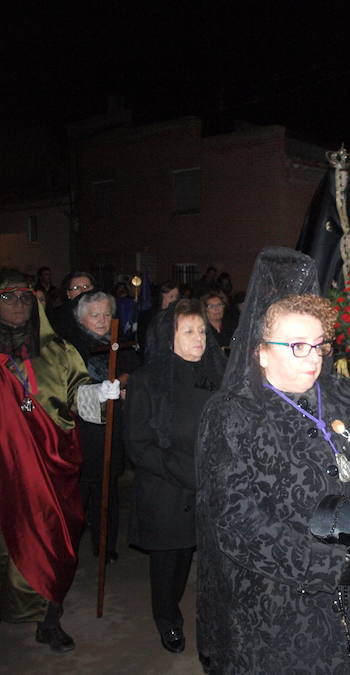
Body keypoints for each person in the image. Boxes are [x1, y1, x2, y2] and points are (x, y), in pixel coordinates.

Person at [195, 247, 350, 674]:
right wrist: (327, 565)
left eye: (320, 344)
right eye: (297, 346)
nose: (313, 357)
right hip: (277, 602)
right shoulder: (233, 413)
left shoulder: (341, 393)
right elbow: (237, 521)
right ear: (260, 350)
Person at [0, 269, 119, 652]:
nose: (17, 305)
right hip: (4, 471)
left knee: (53, 542)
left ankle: (49, 621)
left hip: (50, 470)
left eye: (23, 298)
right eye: (7, 298)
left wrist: (99, 394)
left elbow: (77, 394)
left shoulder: (58, 350)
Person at [126, 298, 225, 654]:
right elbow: (139, 446)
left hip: (210, 488)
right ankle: (167, 619)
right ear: (169, 337)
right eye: (189, 331)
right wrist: (189, 472)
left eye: (201, 330)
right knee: (171, 565)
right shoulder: (146, 381)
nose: (199, 338)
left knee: (212, 563)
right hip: (167, 490)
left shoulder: (214, 375)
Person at [65, 291, 141, 562]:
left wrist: (123, 381)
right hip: (85, 434)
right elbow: (69, 388)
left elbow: (134, 368)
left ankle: (105, 546)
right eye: (94, 315)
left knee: (108, 489)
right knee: (81, 493)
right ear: (81, 318)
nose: (102, 320)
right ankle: (66, 548)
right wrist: (98, 391)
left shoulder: (120, 342)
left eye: (107, 314)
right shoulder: (71, 347)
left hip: (113, 429)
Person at [47, 270, 96, 339]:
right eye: (76, 288)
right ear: (68, 293)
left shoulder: (104, 311)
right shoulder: (58, 316)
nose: (83, 291)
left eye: (86, 287)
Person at [137, 281, 180, 351]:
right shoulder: (146, 317)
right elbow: (144, 343)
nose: (175, 300)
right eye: (171, 296)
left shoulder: (179, 316)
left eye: (176, 297)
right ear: (161, 297)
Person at [202, 289, 237, 354]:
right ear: (205, 309)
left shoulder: (232, 325)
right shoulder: (202, 330)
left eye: (219, 305)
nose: (217, 309)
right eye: (211, 306)